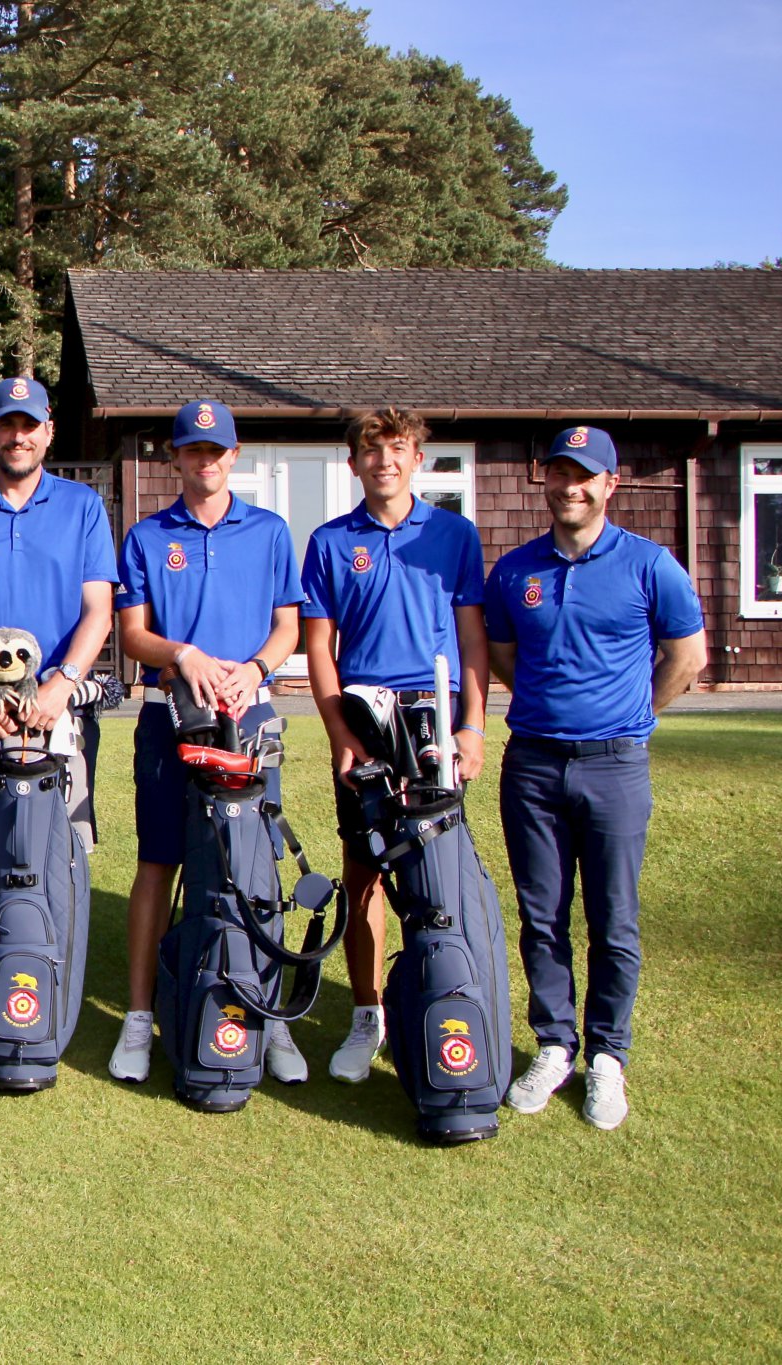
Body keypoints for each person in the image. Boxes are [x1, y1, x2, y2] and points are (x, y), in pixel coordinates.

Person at [486, 426, 706, 1131]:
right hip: (534, 763)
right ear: (543, 479)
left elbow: (687, 656)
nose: (570, 487)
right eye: (559, 473)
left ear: (611, 483)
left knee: (613, 917)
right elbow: (502, 655)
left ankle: (608, 1055)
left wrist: (635, 713)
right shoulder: (515, 570)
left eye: (586, 475)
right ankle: (554, 1043)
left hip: (615, 763)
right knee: (542, 913)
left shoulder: (650, 565)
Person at [109, 399, 306, 1085]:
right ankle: (139, 1016)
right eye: (194, 450)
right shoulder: (146, 535)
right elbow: (132, 634)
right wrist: (184, 653)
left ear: (235, 453)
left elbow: (289, 626)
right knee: (158, 862)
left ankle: (268, 1014)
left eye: (217, 450)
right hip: (171, 714)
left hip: (251, 720)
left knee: (256, 871)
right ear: (176, 457)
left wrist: (254, 669)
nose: (206, 460)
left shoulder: (271, 531)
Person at [0, 377, 116, 1072]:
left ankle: (46, 994)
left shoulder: (83, 506)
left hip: (58, 717)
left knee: (57, 857)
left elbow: (97, 609)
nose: (18, 437)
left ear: (48, 430)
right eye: (7, 425)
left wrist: (64, 684)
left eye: (29, 425)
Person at [301, 408, 488, 1084]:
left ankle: (440, 999)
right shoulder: (329, 542)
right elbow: (319, 648)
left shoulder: (454, 535)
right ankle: (366, 1013)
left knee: (437, 876)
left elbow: (472, 642)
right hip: (365, 723)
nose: (385, 460)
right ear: (353, 463)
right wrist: (339, 735)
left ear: (417, 460)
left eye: (398, 448)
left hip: (434, 722)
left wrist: (473, 726)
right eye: (371, 450)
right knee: (365, 872)